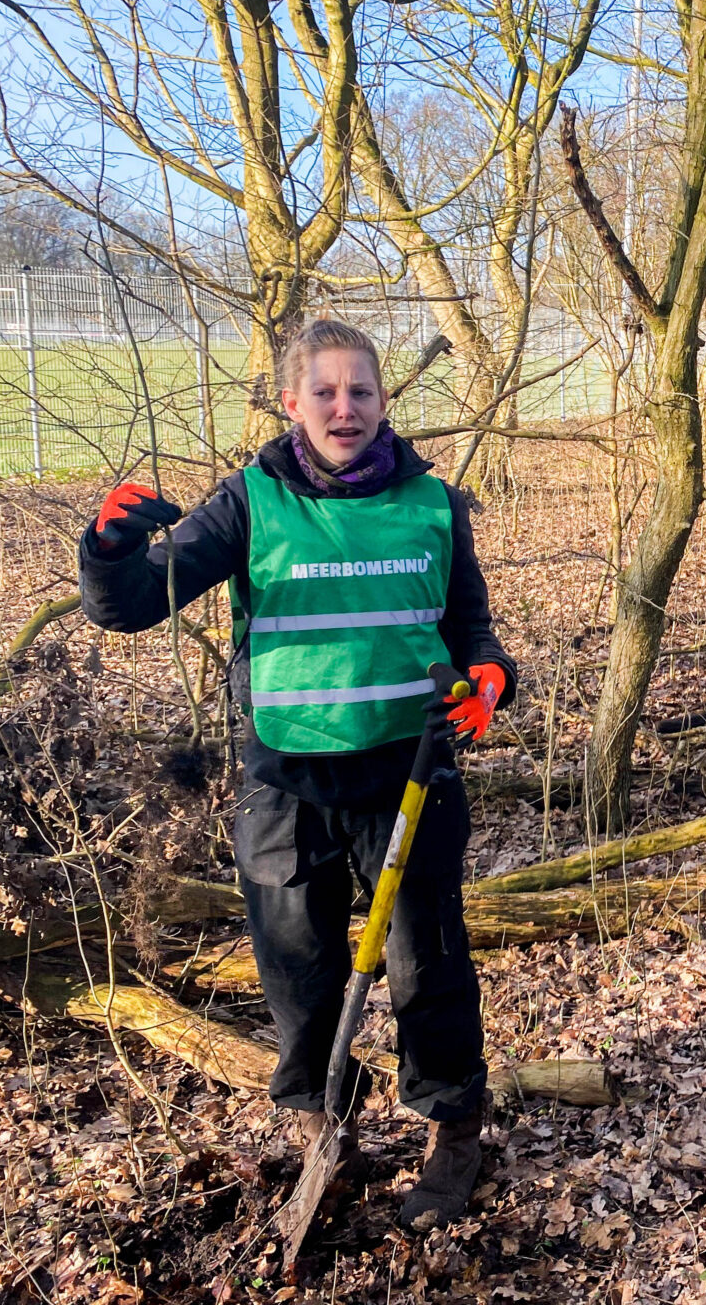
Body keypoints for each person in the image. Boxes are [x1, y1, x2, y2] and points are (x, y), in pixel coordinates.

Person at [79, 319, 516, 1230]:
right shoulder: (249, 502)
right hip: (286, 782)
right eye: (326, 393)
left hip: (413, 771)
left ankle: (454, 1133)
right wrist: (110, 548)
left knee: (426, 964)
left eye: (361, 392)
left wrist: (492, 681)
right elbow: (126, 607)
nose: (345, 409)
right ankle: (325, 1124)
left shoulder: (434, 503)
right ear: (293, 404)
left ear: (385, 401)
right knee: (298, 971)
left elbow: (473, 631)